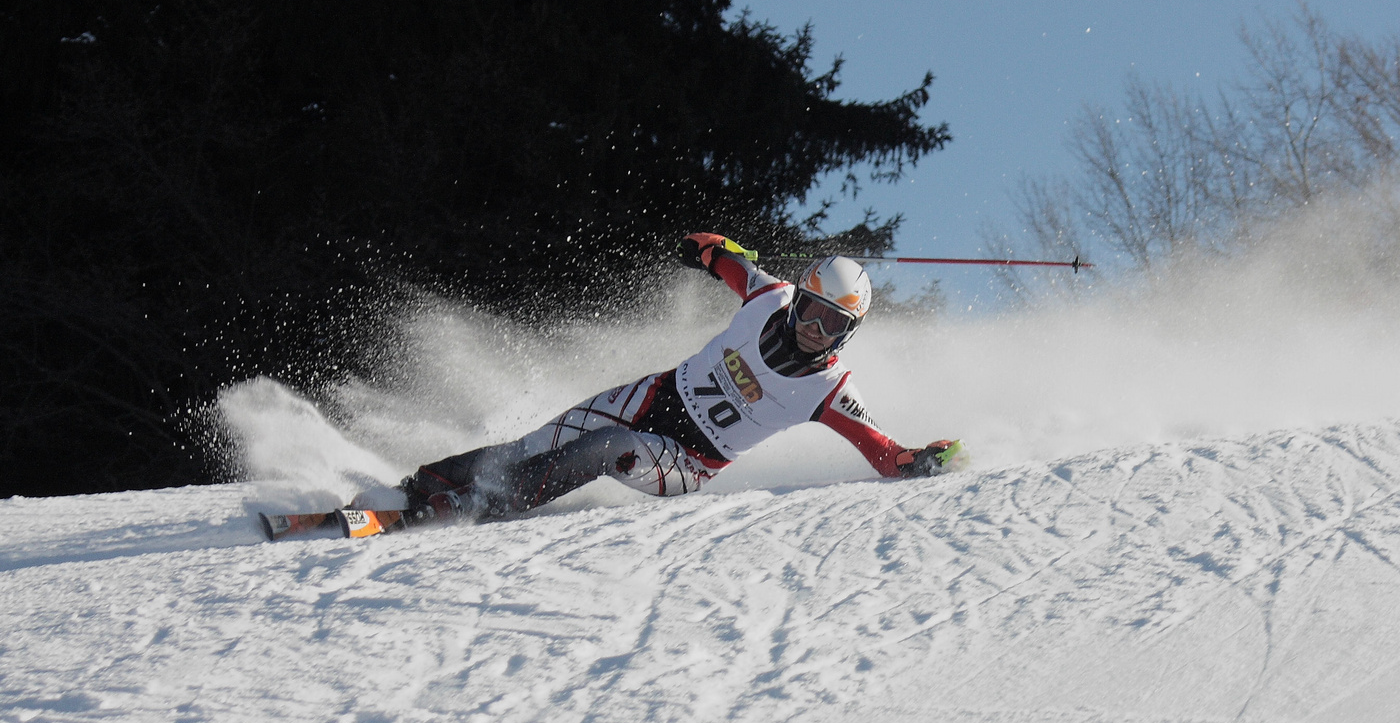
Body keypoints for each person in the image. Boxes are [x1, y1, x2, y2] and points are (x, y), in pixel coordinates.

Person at [368, 233, 959, 523]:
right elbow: (725, 259)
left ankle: (481, 505)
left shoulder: (831, 391)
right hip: (655, 395)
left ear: (847, 333)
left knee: (605, 448)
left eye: (832, 325)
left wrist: (918, 461)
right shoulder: (768, 296)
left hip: (686, 460)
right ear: (798, 298)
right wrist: (706, 247)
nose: (814, 330)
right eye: (812, 310)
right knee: (537, 443)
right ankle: (421, 485)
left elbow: (884, 454)